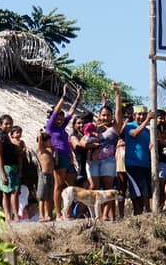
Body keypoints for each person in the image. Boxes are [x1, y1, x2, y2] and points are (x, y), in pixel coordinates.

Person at [85, 83, 124, 221]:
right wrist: (104, 102)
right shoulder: (96, 128)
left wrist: (117, 94)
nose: (105, 118)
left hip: (109, 161)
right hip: (94, 161)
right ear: (99, 116)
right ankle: (95, 214)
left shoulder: (115, 128)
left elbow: (119, 112)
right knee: (95, 189)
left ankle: (105, 215)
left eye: (108, 115)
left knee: (108, 189)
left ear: (111, 116)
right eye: (103, 115)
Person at [45, 84, 83, 220]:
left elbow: (71, 112)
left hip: (67, 157)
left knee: (71, 187)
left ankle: (68, 212)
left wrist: (78, 98)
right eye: (58, 118)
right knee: (59, 185)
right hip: (59, 157)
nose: (60, 120)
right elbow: (56, 111)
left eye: (62, 118)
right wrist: (63, 96)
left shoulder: (61, 128)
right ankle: (59, 214)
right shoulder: (50, 127)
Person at [123, 105, 154, 214]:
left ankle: (144, 213)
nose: (141, 117)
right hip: (133, 164)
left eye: (144, 115)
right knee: (137, 191)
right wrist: (147, 120)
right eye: (139, 114)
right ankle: (141, 213)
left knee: (146, 190)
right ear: (134, 115)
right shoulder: (129, 126)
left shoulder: (148, 131)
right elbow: (135, 134)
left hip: (145, 164)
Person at [0, 114, 22, 221]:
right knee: (7, 193)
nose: (9, 126)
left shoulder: (7, 138)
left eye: (10, 124)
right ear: (0, 125)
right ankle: (9, 216)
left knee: (15, 192)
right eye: (6, 124)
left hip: (13, 167)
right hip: (6, 168)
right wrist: (3, 174)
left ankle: (15, 215)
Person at [36, 130, 57, 221]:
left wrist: (55, 153)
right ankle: (41, 215)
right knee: (42, 197)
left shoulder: (49, 152)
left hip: (50, 175)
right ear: (44, 142)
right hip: (43, 176)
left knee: (48, 197)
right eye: (49, 141)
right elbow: (40, 142)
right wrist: (40, 135)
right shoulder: (41, 151)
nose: (51, 142)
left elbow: (56, 163)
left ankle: (48, 214)